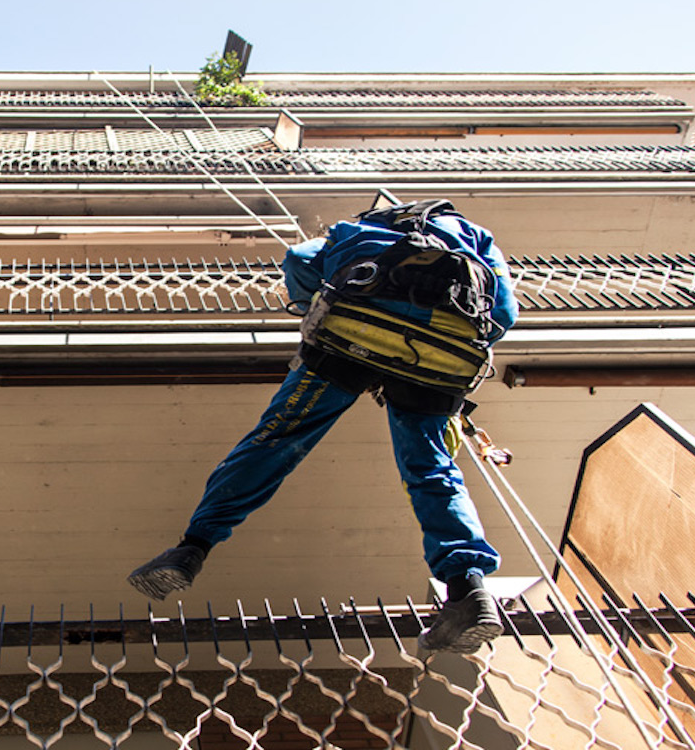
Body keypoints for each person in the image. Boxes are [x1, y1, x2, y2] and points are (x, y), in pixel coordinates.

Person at [127, 197, 518, 655]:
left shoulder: (359, 230)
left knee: (277, 440)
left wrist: (309, 300)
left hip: (349, 341)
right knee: (432, 469)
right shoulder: (472, 235)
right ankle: (467, 589)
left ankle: (192, 547)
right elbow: (503, 313)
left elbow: (299, 260)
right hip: (438, 359)